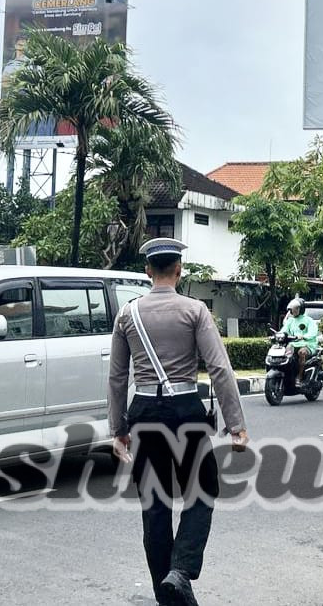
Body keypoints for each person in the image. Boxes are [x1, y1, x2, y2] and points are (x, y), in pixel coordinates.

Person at [108, 237, 249, 606]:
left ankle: (166, 595)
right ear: (179, 270)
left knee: (154, 507)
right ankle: (181, 570)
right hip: (185, 410)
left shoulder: (128, 313)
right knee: (201, 492)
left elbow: (117, 378)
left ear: (147, 271)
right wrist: (236, 423)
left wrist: (117, 430)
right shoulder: (195, 310)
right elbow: (219, 367)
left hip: (143, 414)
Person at [281, 298, 319, 387]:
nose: (293, 311)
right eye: (292, 309)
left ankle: (299, 376)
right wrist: (279, 335)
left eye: (296, 309)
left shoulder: (309, 320)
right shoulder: (290, 320)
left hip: (308, 344)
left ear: (301, 309)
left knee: (301, 352)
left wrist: (304, 336)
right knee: (285, 352)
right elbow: (284, 330)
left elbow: (313, 333)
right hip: (294, 344)